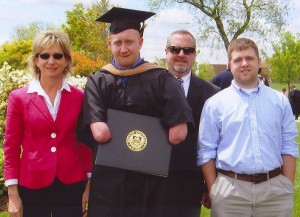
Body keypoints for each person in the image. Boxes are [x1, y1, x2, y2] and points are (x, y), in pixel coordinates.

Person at [77, 7, 193, 217]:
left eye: (129, 42)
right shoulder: (100, 79)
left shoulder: (160, 78)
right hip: (112, 183)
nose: (123, 48)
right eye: (117, 43)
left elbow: (180, 133)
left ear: (140, 42)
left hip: (151, 183)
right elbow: (97, 133)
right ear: (109, 44)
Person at [197, 38, 299, 217]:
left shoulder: (279, 101)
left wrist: (287, 185)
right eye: (238, 59)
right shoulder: (215, 104)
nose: (244, 64)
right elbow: (206, 151)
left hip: (274, 191)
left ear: (259, 62)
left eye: (250, 58)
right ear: (229, 64)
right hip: (230, 193)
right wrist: (215, 189)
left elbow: (289, 145)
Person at [4, 30, 93, 217]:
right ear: (36, 60)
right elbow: (11, 147)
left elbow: (85, 144)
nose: (51, 61)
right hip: (32, 184)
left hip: (71, 183)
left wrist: (88, 184)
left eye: (57, 55)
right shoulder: (18, 98)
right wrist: (12, 193)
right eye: (44, 55)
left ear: (66, 60)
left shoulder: (80, 97)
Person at [164, 29, 220, 217]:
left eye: (188, 50)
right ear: (166, 52)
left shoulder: (212, 94)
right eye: (175, 49)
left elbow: (217, 143)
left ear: (194, 54)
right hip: (151, 184)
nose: (181, 54)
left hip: (190, 185)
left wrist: (209, 184)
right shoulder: (148, 86)